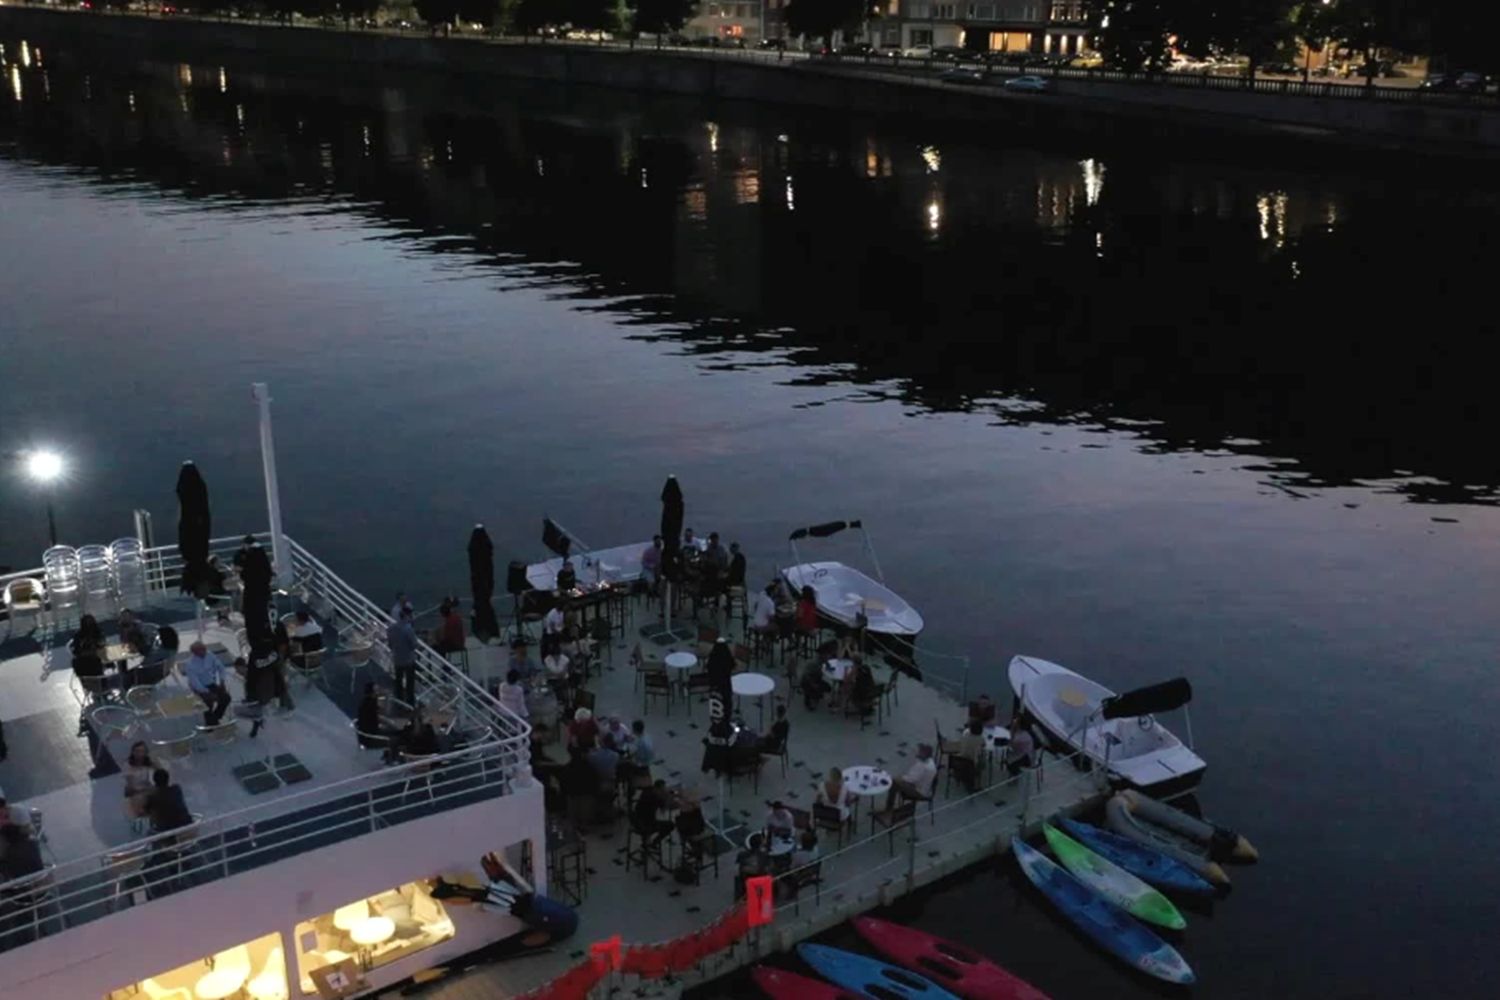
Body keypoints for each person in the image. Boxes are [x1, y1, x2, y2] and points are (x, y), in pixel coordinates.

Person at [183, 641, 231, 726]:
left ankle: (216, 717)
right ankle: (210, 724)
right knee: (208, 702)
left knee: (226, 698)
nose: (205, 651)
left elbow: (221, 668)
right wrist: (206, 692)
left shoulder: (210, 655)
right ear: (195, 652)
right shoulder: (191, 664)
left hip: (211, 684)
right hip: (199, 688)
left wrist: (222, 681)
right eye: (202, 650)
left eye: (204, 649)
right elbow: (195, 682)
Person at [387, 605, 419, 705]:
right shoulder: (408, 629)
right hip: (408, 660)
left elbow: (390, 644)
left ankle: (399, 702)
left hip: (397, 659)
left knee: (398, 681)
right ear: (407, 616)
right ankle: (410, 703)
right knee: (410, 683)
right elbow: (414, 644)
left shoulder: (391, 628)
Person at [631, 779, 675, 848]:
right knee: (670, 825)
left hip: (640, 821)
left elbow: (663, 809)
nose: (663, 791)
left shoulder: (650, 792)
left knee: (668, 824)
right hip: (643, 823)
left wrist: (666, 798)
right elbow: (663, 811)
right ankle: (652, 842)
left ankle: (650, 842)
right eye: (662, 789)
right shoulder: (652, 795)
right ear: (658, 788)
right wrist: (667, 798)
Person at [146, 769, 193, 833]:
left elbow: (147, 811)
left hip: (167, 831)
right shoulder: (176, 789)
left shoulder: (153, 796)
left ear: (154, 781)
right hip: (187, 826)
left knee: (149, 832)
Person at [122, 741, 157, 821]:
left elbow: (160, 773)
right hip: (134, 792)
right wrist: (146, 790)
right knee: (141, 799)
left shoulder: (148, 762)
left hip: (147, 788)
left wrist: (155, 762)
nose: (140, 753)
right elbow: (131, 785)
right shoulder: (127, 764)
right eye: (137, 751)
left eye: (142, 751)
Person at [950, 719, 986, 793]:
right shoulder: (980, 737)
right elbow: (984, 745)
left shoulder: (965, 732)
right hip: (972, 762)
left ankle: (960, 775)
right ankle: (977, 782)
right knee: (983, 762)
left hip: (959, 758)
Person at [70, 614, 106, 681]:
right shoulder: (79, 635)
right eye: (87, 623)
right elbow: (77, 651)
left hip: (96, 655)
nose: (89, 625)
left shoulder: (97, 631)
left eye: (91, 622)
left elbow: (102, 643)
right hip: (85, 660)